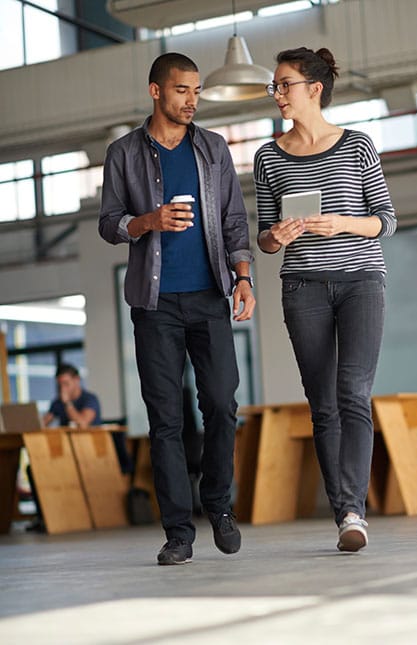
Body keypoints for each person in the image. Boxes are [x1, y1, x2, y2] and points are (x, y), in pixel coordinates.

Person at [99, 52, 255, 565]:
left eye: (196, 91)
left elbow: (234, 219)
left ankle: (219, 504)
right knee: (165, 419)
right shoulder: (123, 153)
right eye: (182, 90)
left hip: (210, 296)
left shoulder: (212, 148)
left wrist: (243, 278)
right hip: (154, 302)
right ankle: (178, 533)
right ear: (155, 91)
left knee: (221, 403)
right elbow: (109, 224)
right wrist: (149, 222)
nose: (192, 100)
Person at [254, 47, 396, 552]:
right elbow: (264, 240)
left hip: (361, 281)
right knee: (323, 404)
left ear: (314, 89)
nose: (277, 94)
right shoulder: (267, 156)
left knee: (354, 392)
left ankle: (355, 511)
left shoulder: (358, 145)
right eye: (275, 86)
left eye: (284, 84)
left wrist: (341, 223)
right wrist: (278, 235)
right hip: (303, 286)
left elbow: (386, 219)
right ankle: (344, 513)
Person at [27, 363, 102, 532]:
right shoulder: (57, 402)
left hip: (87, 454)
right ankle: (44, 517)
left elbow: (82, 422)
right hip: (65, 452)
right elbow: (42, 424)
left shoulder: (90, 399)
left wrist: (68, 404)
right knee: (33, 469)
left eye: (66, 383)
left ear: (77, 380)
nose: (63, 388)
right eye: (60, 384)